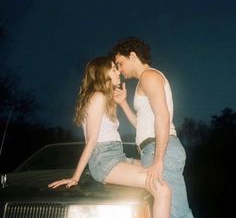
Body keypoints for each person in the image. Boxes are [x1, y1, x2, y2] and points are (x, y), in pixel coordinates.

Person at [48, 56, 171, 218]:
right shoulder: (97, 97)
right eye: (113, 69)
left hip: (116, 157)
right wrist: (75, 177)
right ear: (102, 73)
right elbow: (91, 141)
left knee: (160, 169)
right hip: (104, 160)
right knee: (163, 189)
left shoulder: (104, 99)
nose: (118, 72)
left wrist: (123, 102)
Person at [111, 37, 194, 218]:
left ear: (132, 56)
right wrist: (123, 103)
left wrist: (158, 160)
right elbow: (141, 125)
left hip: (161, 149)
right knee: (171, 211)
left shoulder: (150, 76)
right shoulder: (144, 81)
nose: (119, 69)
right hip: (154, 148)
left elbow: (163, 116)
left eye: (120, 63)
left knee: (177, 213)